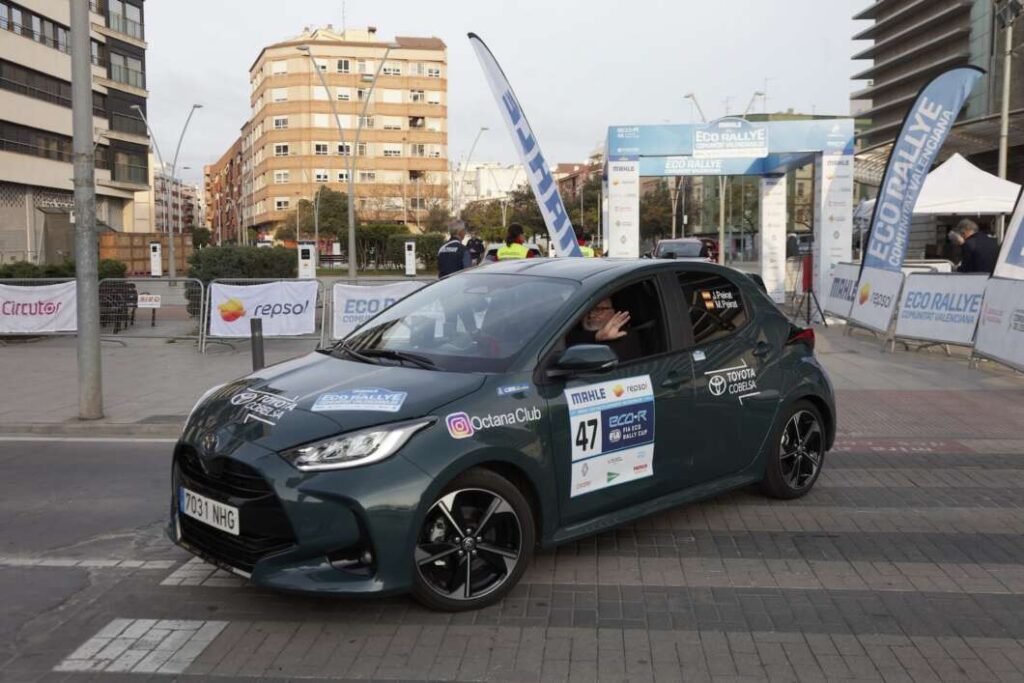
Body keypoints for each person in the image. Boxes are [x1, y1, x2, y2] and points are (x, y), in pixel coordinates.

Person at [566, 297, 642, 362]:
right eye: (587, 310)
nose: (591, 315)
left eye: (598, 310)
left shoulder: (625, 336)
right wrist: (597, 336)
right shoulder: (570, 334)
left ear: (613, 312)